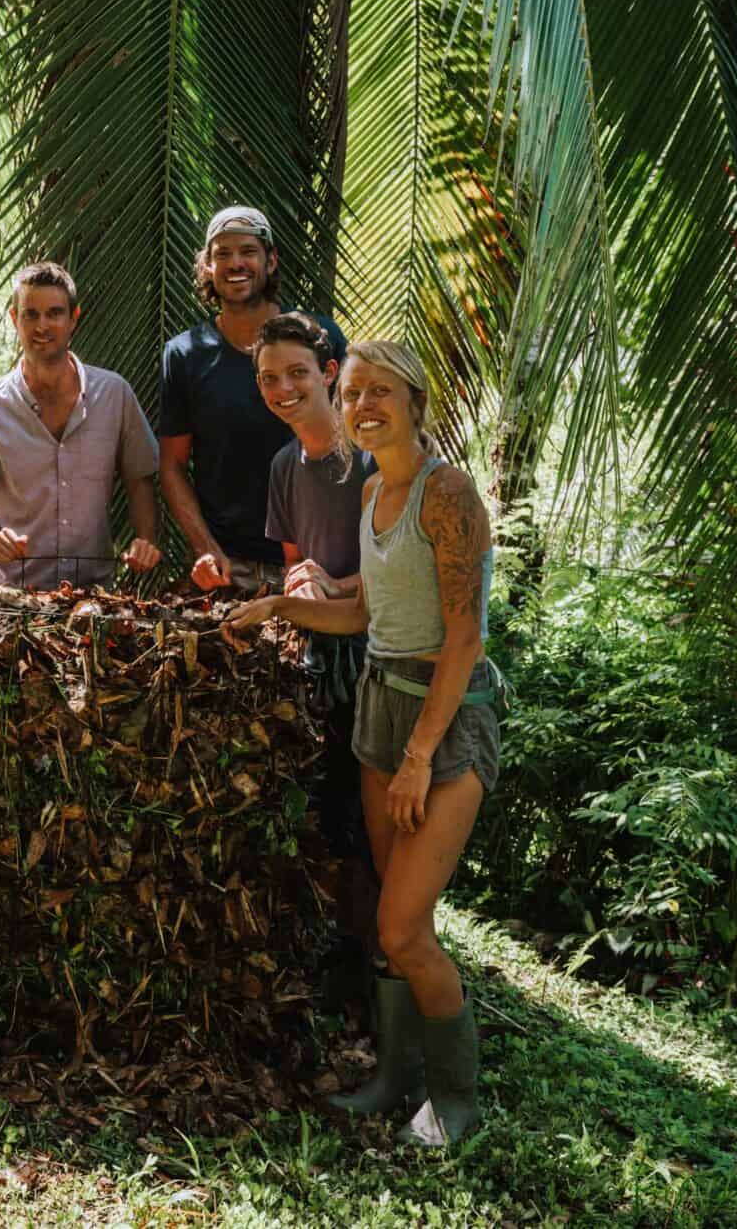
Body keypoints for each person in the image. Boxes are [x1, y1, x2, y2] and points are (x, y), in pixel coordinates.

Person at [227, 340, 499, 1149]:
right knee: (388, 909)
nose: (363, 405)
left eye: (381, 391)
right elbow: (365, 619)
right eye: (352, 393)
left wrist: (419, 756)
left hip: (443, 722)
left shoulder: (446, 492)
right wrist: (277, 607)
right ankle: (394, 1081)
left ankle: (458, 1104)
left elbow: (464, 640)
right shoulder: (375, 489)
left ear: (417, 400)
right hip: (379, 706)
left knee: (405, 931)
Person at [254, 312, 377, 987]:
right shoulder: (282, 465)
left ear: (330, 374)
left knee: (369, 826)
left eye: (297, 373)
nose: (283, 388)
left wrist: (335, 585)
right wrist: (297, 587)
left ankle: (378, 968)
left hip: (376, 663)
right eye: (269, 378)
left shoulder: (371, 459)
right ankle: (335, 964)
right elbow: (299, 567)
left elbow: (397, 572)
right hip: (317, 664)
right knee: (325, 817)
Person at [159, 206, 348, 593]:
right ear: (207, 267)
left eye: (248, 251)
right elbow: (172, 466)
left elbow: (355, 442)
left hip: (320, 567)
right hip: (231, 569)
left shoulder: (320, 336)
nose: (235, 263)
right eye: (222, 254)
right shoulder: (184, 354)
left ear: (271, 260)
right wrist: (205, 548)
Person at [0, 261, 162, 591]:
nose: (42, 326)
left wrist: (145, 540)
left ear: (74, 318)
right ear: (14, 319)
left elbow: (140, 480)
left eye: (54, 313)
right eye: (30, 314)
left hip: (90, 594)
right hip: (8, 596)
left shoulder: (114, 393)